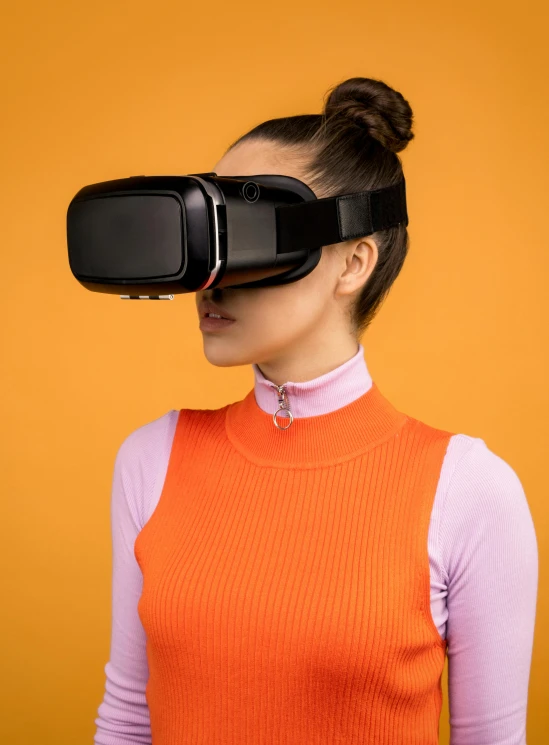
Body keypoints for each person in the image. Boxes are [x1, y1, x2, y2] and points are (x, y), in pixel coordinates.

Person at [93, 77, 538, 745]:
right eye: (206, 232)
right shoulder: (150, 458)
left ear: (352, 262)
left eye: (245, 233)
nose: (211, 277)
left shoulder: (469, 491)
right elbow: (128, 720)